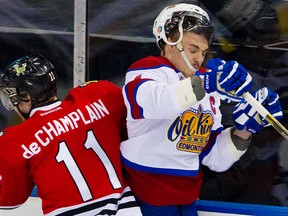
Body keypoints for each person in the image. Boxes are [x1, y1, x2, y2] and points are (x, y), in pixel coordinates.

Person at [120, 3, 283, 216]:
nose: (198, 59)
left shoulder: (206, 87)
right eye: (193, 49)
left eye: (203, 52)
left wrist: (244, 130)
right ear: (169, 42)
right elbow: (156, 102)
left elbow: (214, 158)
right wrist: (207, 82)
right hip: (144, 195)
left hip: (186, 198)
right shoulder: (147, 70)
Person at [0, 54, 142, 216]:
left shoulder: (15, 139)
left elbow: (9, 200)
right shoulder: (99, 95)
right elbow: (136, 129)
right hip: (126, 211)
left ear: (25, 96)